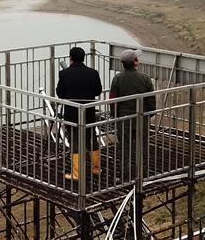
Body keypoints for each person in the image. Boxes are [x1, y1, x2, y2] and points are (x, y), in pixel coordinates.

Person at [56, 46, 103, 180]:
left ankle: (77, 173)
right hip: (88, 111)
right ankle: (96, 168)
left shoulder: (64, 74)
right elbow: (97, 91)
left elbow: (60, 93)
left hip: (72, 113)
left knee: (75, 140)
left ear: (71, 59)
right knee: (91, 138)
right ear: (83, 58)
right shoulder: (93, 73)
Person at [109, 49, 156, 181]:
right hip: (141, 118)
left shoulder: (117, 78)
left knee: (124, 147)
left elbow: (113, 99)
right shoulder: (145, 78)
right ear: (135, 62)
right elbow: (151, 99)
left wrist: (115, 115)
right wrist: (150, 113)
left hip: (124, 119)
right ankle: (143, 173)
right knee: (143, 145)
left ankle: (125, 175)